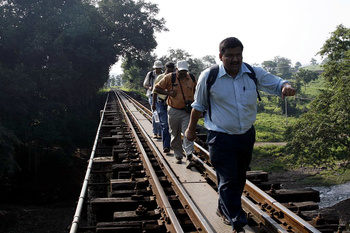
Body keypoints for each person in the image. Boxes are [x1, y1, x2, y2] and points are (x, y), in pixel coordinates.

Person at [185, 37, 296, 233]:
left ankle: (223, 208)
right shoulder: (208, 76)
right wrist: (191, 129)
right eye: (230, 56)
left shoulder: (252, 72)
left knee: (239, 177)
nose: (235, 60)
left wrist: (285, 86)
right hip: (220, 136)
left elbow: (276, 82)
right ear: (221, 56)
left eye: (238, 55)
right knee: (228, 179)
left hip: (246, 135)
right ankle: (236, 220)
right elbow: (198, 106)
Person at [154, 60, 196, 164]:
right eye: (180, 71)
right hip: (173, 110)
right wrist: (167, 93)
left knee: (187, 132)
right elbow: (156, 88)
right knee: (175, 133)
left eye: (184, 71)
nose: (182, 73)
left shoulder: (191, 78)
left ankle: (189, 155)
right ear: (176, 69)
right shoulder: (170, 77)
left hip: (187, 111)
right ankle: (178, 155)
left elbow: (197, 92)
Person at [151, 62, 175, 153]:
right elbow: (154, 91)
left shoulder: (174, 78)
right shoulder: (160, 77)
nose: (170, 72)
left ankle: (172, 144)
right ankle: (166, 146)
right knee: (165, 125)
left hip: (172, 103)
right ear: (165, 69)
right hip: (161, 103)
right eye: (169, 70)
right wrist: (153, 104)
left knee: (172, 125)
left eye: (171, 71)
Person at [143, 60, 163, 139]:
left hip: (161, 96)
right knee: (155, 114)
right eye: (157, 68)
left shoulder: (163, 74)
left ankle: (160, 133)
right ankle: (155, 132)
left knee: (161, 114)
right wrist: (149, 87)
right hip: (152, 96)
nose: (158, 69)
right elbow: (145, 84)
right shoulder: (150, 74)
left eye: (159, 68)